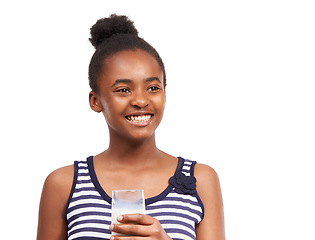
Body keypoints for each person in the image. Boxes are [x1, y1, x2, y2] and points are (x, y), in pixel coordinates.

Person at [37, 14, 225, 240]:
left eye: (153, 88)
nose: (141, 100)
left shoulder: (201, 180)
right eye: (123, 90)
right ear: (95, 101)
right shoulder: (64, 184)